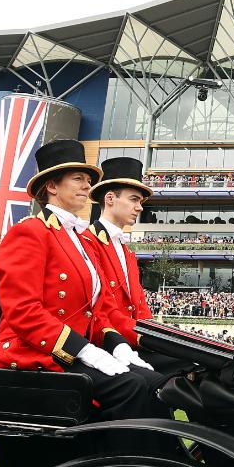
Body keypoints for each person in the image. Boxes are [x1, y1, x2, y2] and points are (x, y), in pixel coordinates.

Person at [0, 139, 168, 452]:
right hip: (36, 356)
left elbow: (97, 310)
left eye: (88, 180)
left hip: (71, 352)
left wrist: (118, 346)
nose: (88, 186)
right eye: (79, 179)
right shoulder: (29, 231)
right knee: (132, 388)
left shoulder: (79, 240)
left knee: (151, 383)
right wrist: (85, 350)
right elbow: (23, 311)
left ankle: (164, 462)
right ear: (52, 187)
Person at [89, 156, 185, 373]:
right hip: (109, 343)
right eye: (134, 200)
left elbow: (140, 306)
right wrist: (148, 337)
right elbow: (103, 309)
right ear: (110, 198)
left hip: (133, 339)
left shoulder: (127, 252)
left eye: (140, 202)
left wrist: (156, 333)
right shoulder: (88, 242)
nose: (139, 208)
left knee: (198, 366)